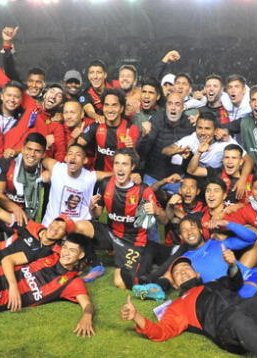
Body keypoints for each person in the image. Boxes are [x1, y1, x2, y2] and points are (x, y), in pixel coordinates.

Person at [120, 255, 257, 358]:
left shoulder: (214, 282)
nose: (183, 272)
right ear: (174, 284)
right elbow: (161, 331)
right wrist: (137, 317)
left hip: (250, 312)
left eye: (186, 269)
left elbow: (236, 284)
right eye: (177, 273)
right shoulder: (177, 306)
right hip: (229, 330)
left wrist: (233, 265)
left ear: (196, 274)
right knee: (236, 318)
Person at [89, 149, 169, 289]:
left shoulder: (143, 190)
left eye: (124, 164)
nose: (120, 168)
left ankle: (151, 266)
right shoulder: (106, 184)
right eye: (117, 163)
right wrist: (91, 207)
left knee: (120, 282)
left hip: (133, 241)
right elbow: (97, 214)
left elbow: (164, 221)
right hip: (111, 234)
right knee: (79, 226)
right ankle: (94, 263)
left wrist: (156, 211)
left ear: (132, 167)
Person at [0, 46, 66, 162]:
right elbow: (6, 83)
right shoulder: (32, 105)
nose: (54, 95)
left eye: (59, 95)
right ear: (45, 93)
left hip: (24, 165)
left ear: (61, 104)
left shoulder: (57, 126)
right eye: (52, 91)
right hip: (1, 157)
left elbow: (60, 155)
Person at [137, 92, 195, 195]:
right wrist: (144, 136)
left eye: (177, 104)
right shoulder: (156, 119)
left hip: (178, 179)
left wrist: (188, 153)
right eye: (170, 103)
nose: (173, 108)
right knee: (145, 207)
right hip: (153, 176)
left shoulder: (189, 124)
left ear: (182, 107)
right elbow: (142, 151)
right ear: (166, 106)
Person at [41, 143, 110, 226]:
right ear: (65, 158)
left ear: (85, 160)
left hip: (77, 231)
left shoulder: (90, 177)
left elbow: (115, 175)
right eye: (70, 154)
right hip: (50, 227)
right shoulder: (56, 168)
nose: (73, 157)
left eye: (78, 155)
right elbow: (42, 158)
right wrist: (45, 171)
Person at [75, 89, 140, 172]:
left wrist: (132, 149)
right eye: (106, 105)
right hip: (98, 176)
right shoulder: (96, 125)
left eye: (114, 105)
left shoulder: (131, 129)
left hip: (119, 179)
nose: (110, 109)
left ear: (121, 108)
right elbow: (78, 146)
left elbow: (137, 163)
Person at [220, 84, 257, 172]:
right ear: (250, 103)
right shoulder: (244, 121)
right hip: (250, 174)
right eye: (253, 100)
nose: (256, 103)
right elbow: (222, 128)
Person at [187, 144, 253, 204]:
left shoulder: (251, 179)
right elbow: (192, 171)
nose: (229, 161)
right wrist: (199, 153)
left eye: (234, 158)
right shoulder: (216, 173)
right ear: (222, 160)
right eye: (226, 157)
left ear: (241, 161)